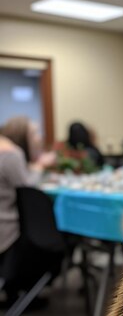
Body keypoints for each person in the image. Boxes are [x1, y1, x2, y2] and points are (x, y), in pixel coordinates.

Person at [0, 117, 55, 308]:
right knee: (56, 239)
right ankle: (24, 292)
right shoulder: (12, 154)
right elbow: (27, 187)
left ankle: (15, 292)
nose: (39, 138)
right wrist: (40, 166)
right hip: (7, 230)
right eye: (34, 133)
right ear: (21, 135)